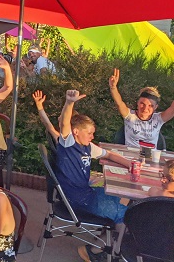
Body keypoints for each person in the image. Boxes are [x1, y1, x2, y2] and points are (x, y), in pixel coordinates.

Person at [56, 90, 131, 262]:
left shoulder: (88, 146)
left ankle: (100, 241)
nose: (92, 136)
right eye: (89, 133)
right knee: (128, 215)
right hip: (78, 200)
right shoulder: (68, 144)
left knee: (122, 200)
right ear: (76, 132)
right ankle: (102, 251)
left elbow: (109, 154)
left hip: (87, 193)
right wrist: (69, 102)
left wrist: (129, 164)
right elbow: (65, 123)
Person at [109, 68, 174, 147]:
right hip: (130, 154)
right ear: (137, 103)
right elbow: (119, 103)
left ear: (156, 107)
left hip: (151, 154)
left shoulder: (158, 119)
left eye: (150, 106)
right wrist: (113, 88)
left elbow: (172, 110)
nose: (145, 108)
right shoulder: (129, 116)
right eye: (142, 104)